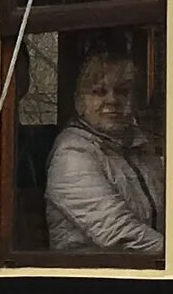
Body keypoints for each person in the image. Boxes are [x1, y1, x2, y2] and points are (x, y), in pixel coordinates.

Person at [44, 49, 165, 255]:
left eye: (123, 92)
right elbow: (117, 232)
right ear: (79, 102)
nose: (112, 100)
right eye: (99, 92)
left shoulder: (141, 149)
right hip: (88, 278)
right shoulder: (71, 155)